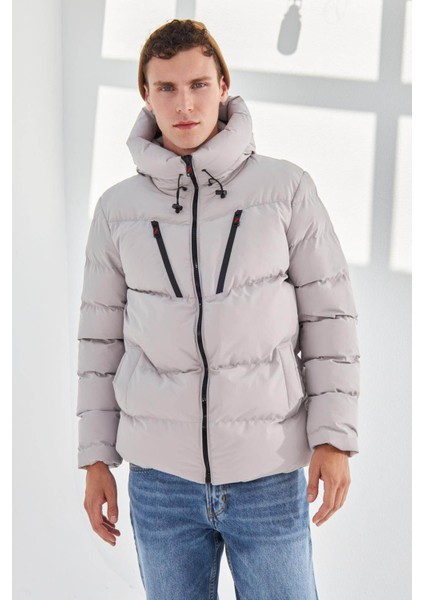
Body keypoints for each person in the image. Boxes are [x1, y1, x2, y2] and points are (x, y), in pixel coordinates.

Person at [76, 18, 360, 599]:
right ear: (146, 95)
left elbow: (330, 319)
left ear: (224, 86)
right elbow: (100, 341)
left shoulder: (286, 189)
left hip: (267, 475)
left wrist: (333, 438)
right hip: (160, 484)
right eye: (167, 87)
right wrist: (96, 458)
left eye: (199, 84)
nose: (184, 104)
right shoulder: (117, 210)